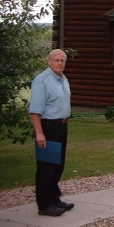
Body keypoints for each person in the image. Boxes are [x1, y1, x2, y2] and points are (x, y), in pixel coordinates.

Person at [29, 49, 74, 217]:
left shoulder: (63, 79)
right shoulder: (42, 81)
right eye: (56, 60)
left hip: (61, 126)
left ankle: (55, 198)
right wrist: (39, 133)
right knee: (46, 167)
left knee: (58, 166)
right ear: (49, 62)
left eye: (62, 61)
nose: (59, 63)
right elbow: (35, 111)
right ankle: (44, 204)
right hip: (48, 127)